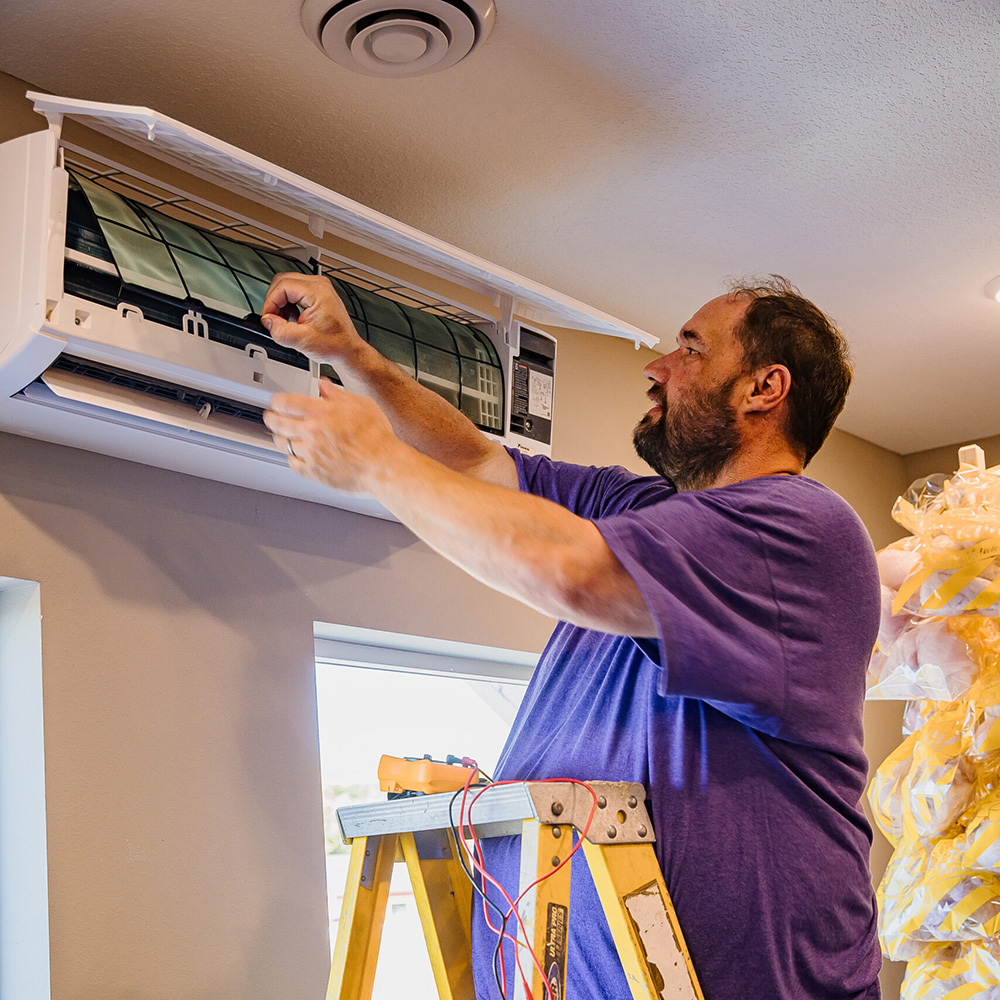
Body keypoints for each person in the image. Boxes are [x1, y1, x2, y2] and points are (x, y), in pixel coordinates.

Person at [260, 274, 882, 1000]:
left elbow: (573, 571)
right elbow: (471, 462)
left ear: (762, 388)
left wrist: (375, 464)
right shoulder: (637, 503)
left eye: (690, 349)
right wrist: (353, 355)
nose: (656, 368)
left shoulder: (799, 527)